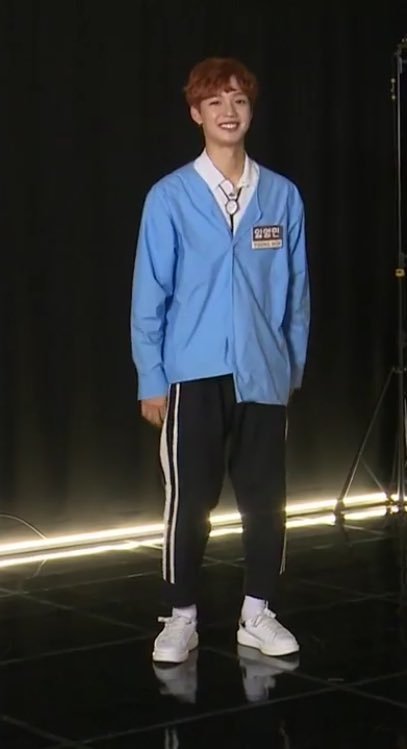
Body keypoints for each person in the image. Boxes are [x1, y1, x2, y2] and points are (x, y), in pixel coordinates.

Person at [131, 57, 310, 664]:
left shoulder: (281, 195)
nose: (228, 112)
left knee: (266, 501)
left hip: (264, 373)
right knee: (190, 502)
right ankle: (179, 616)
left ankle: (258, 612)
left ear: (251, 110)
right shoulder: (170, 197)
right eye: (215, 102)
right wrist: (152, 378)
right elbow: (149, 295)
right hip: (192, 374)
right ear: (196, 114)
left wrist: (290, 368)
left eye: (238, 100)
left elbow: (296, 292)